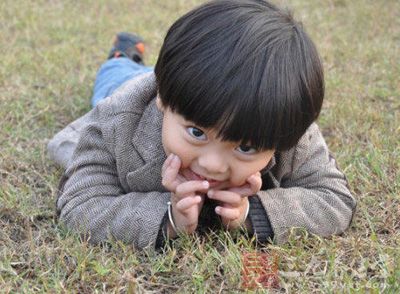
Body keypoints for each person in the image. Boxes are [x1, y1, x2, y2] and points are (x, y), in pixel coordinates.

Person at [47, 0, 356, 250]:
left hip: (187, 94)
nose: (212, 164)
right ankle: (121, 54)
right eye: (196, 133)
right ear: (164, 101)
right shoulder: (119, 118)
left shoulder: (283, 126)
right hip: (131, 87)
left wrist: (251, 213)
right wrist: (169, 217)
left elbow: (334, 199)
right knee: (115, 76)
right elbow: (80, 206)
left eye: (245, 147)